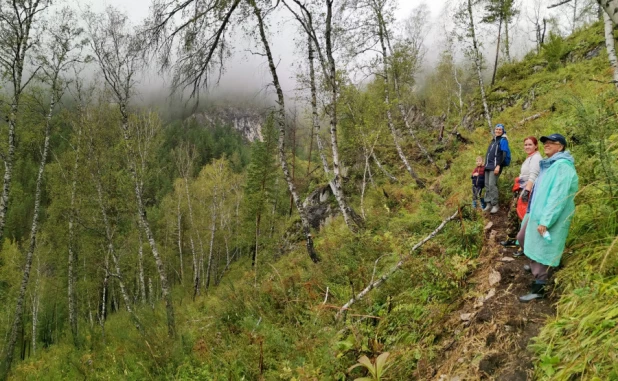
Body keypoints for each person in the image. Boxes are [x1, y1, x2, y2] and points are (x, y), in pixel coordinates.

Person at [518, 133, 578, 302]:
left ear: (561, 146)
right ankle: (534, 265)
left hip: (548, 216)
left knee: (544, 248)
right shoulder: (549, 165)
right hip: (536, 213)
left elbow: (558, 196)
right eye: (545, 142)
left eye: (552, 142)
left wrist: (546, 220)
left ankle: (539, 287)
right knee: (522, 237)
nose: (547, 144)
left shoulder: (562, 167)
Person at [502, 137, 542, 251]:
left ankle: (524, 245)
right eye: (525, 145)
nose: (527, 147)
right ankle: (512, 238)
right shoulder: (530, 158)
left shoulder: (536, 158)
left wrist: (527, 191)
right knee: (514, 213)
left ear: (536, 146)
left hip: (528, 190)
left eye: (530, 144)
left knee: (523, 216)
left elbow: (533, 175)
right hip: (522, 188)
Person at [483, 124, 511, 214]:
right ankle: (488, 203)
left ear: (503, 131)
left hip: (495, 166)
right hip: (488, 165)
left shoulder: (503, 140)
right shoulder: (493, 140)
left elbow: (503, 154)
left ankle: (495, 205)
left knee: (492, 185)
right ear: (494, 130)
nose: (498, 131)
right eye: (497, 129)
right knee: (487, 185)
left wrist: (498, 165)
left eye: (500, 129)